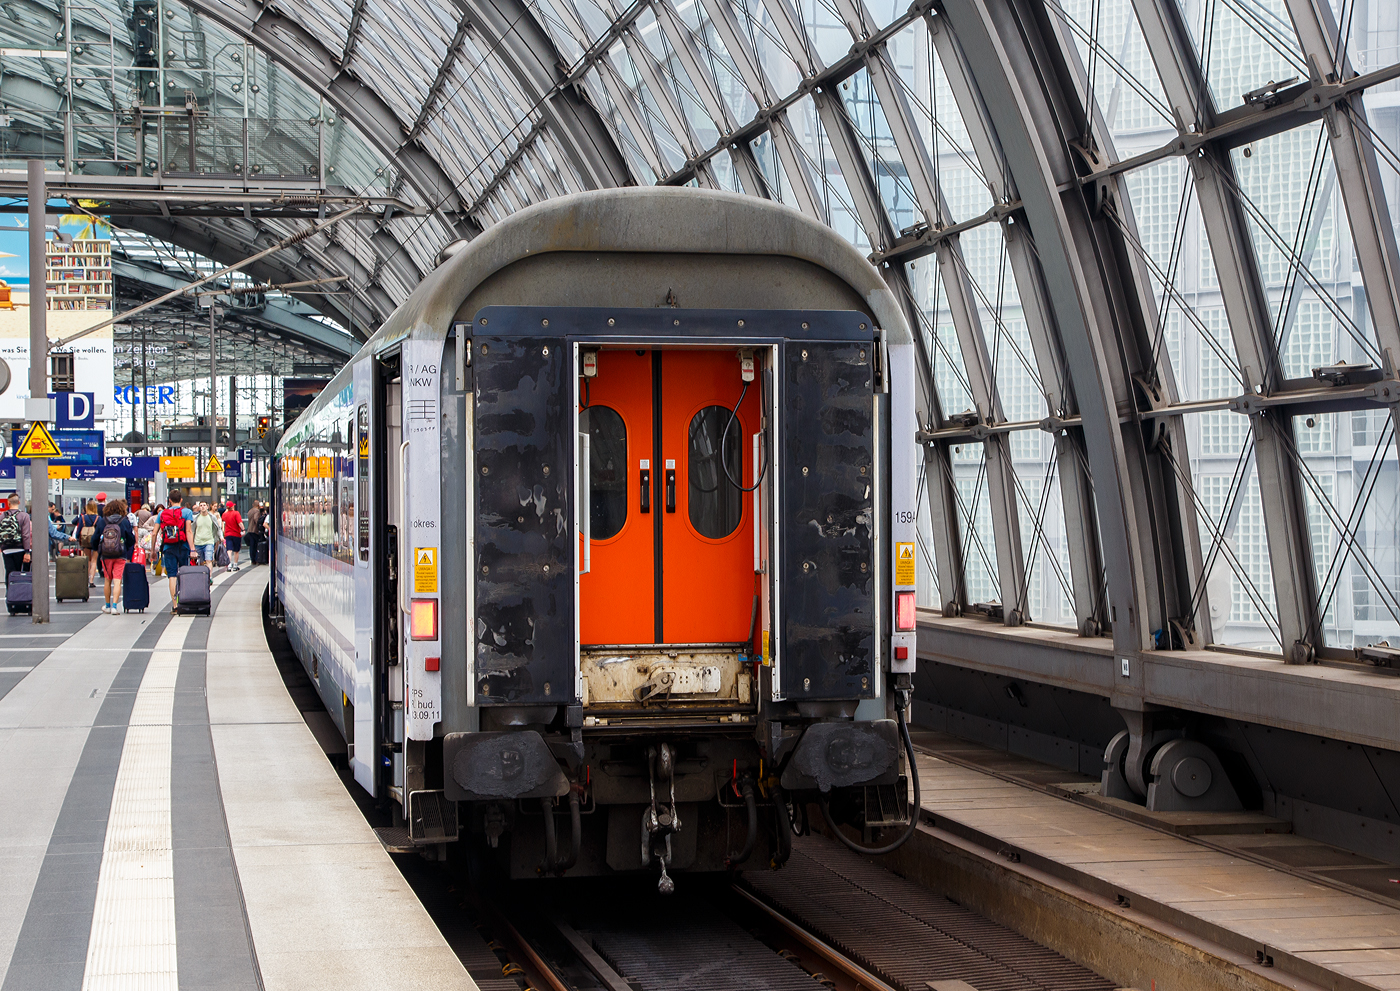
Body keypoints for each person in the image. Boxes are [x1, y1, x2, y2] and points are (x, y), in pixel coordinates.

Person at [156, 489, 196, 613]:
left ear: (169, 500)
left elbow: (154, 533)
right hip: (183, 547)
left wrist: (152, 550)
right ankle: (183, 601)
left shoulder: (162, 513)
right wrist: (193, 549)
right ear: (181, 499)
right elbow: (188, 531)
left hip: (168, 548)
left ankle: (175, 605)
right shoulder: (187, 512)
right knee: (184, 574)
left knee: (172, 576)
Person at [96, 498, 135, 615]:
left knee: (107, 580)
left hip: (106, 555)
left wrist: (98, 549)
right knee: (117, 580)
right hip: (120, 554)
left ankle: (107, 606)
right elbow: (131, 538)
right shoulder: (124, 521)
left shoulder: (103, 521)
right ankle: (114, 607)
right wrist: (126, 547)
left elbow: (95, 537)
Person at [0, 492, 31, 584]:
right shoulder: (24, 516)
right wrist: (27, 551)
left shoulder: (2, 516)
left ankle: (9, 591)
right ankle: (17, 591)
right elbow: (25, 535)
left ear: (8, 503)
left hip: (6, 549)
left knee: (9, 572)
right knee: (18, 573)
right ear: (19, 502)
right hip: (19, 548)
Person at [74, 500, 102, 588]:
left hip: (85, 539)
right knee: (94, 560)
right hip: (96, 540)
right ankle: (91, 581)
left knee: (88, 560)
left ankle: (86, 579)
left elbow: (79, 530)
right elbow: (101, 530)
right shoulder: (99, 518)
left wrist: (78, 538)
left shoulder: (83, 517)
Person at [193, 502, 218, 572]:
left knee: (208, 560)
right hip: (198, 542)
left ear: (207, 507)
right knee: (200, 562)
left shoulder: (212, 517)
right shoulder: (196, 518)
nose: (203, 507)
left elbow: (217, 528)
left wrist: (220, 537)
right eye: (201, 505)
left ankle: (209, 576)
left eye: (204, 505)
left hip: (209, 542)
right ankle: (203, 576)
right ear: (199, 508)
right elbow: (192, 530)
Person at [221, 500, 243, 572]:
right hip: (236, 534)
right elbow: (239, 523)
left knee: (229, 550)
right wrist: (243, 529)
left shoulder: (224, 514)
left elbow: (222, 521)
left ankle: (229, 565)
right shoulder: (236, 513)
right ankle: (235, 565)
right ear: (233, 506)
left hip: (228, 534)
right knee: (236, 550)